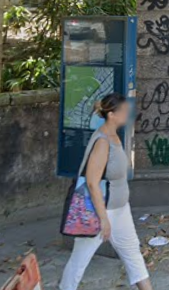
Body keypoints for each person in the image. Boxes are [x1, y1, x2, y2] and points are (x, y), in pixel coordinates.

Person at [61, 94, 153, 290]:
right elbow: (93, 183)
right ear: (111, 114)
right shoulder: (102, 141)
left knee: (132, 255)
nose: (129, 115)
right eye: (125, 112)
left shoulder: (114, 136)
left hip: (120, 208)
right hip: (100, 211)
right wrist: (103, 219)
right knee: (79, 260)